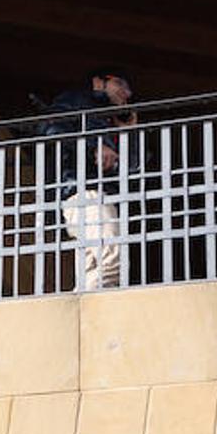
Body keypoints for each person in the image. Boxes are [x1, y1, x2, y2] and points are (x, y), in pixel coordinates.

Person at [41, 67, 138, 292]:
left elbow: (132, 170)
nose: (127, 92)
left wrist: (128, 134)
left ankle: (80, 314)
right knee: (113, 259)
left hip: (96, 197)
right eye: (121, 83)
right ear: (98, 82)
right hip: (84, 192)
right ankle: (81, 310)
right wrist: (92, 147)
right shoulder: (78, 100)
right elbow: (50, 128)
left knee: (91, 270)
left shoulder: (110, 123)